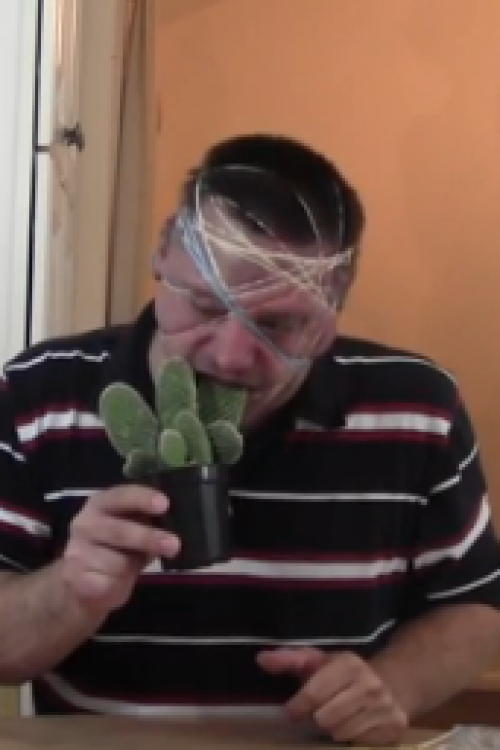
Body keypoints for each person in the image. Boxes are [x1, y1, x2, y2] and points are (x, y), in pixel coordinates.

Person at [0, 133, 498, 746]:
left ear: (335, 306)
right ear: (162, 254)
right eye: (206, 306)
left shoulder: (419, 408)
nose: (232, 356)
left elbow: (475, 604)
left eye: (280, 324)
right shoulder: (36, 393)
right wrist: (69, 591)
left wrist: (394, 683)